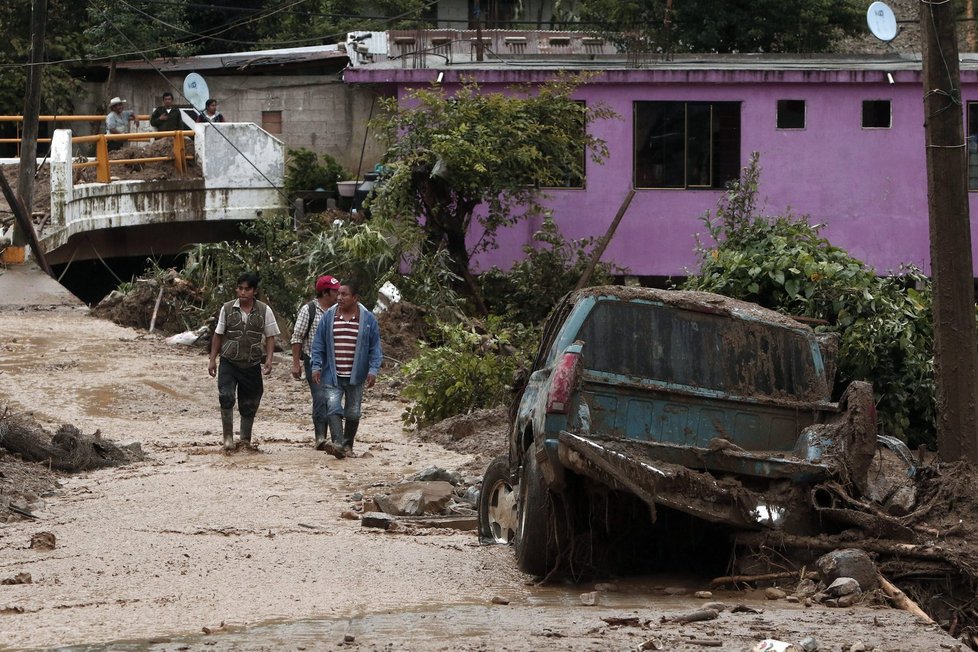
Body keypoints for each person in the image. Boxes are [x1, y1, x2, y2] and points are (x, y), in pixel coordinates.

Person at [310, 280, 383, 458]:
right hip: (332, 374)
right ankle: (338, 445)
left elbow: (375, 347)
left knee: (353, 411)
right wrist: (316, 366)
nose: (340, 298)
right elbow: (318, 343)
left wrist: (373, 370)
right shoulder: (329, 317)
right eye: (339, 294)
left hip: (356, 375)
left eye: (344, 295)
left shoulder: (367, 320)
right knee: (333, 407)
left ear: (355, 298)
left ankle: (348, 445)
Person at [208, 271, 281, 451]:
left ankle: (245, 440)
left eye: (247, 289)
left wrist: (269, 360)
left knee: (250, 402)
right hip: (229, 361)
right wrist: (212, 360)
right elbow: (218, 334)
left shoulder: (264, 310)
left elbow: (271, 336)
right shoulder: (226, 309)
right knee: (226, 396)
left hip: (252, 363)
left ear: (254, 291)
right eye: (240, 288)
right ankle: (227, 439)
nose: (242, 293)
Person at [290, 274, 340, 449]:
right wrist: (296, 363)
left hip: (336, 362)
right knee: (320, 397)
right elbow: (297, 337)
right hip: (314, 361)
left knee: (334, 398)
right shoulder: (308, 310)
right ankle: (320, 437)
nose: (339, 295)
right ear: (326, 293)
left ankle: (336, 438)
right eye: (335, 292)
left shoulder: (339, 311)